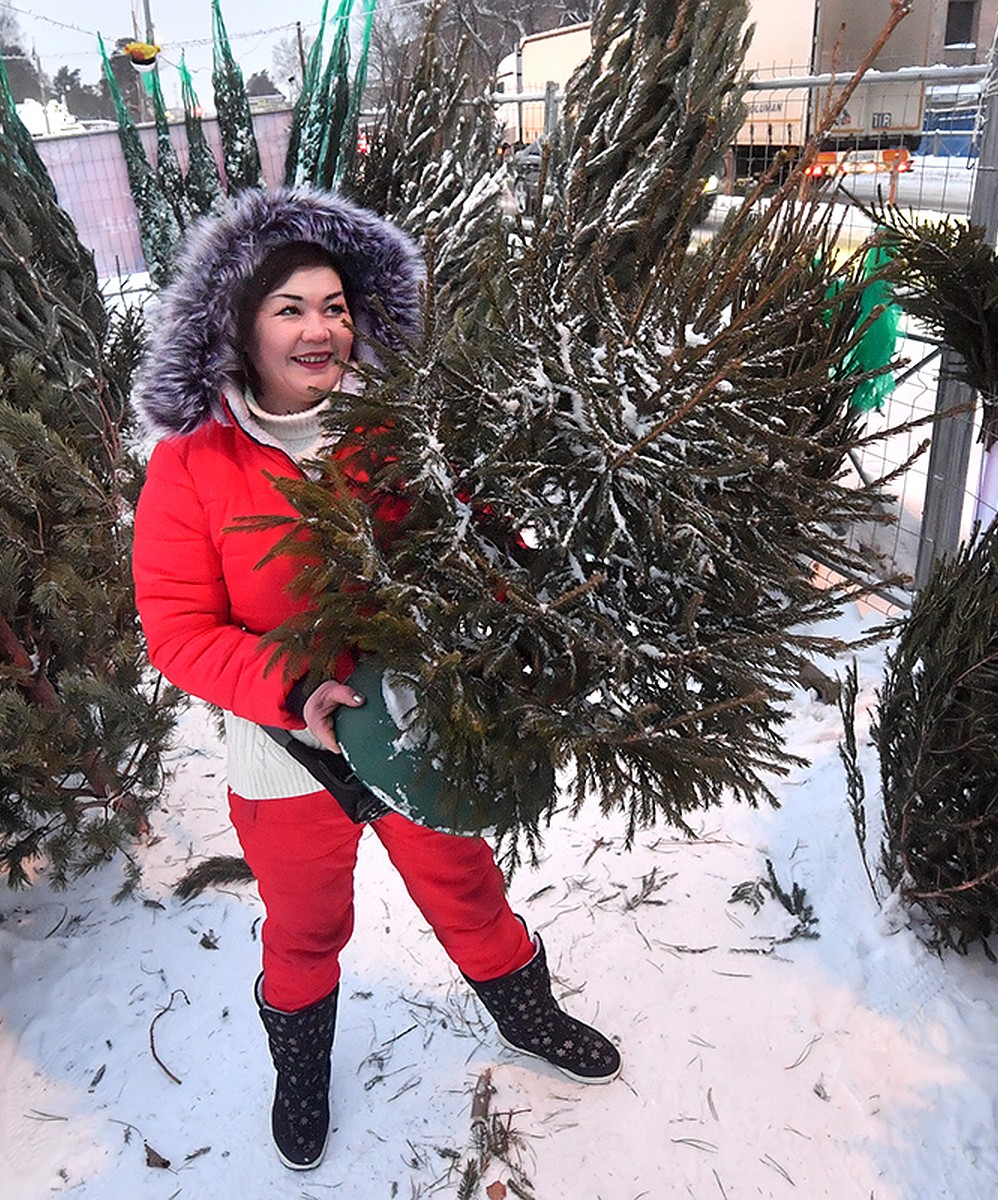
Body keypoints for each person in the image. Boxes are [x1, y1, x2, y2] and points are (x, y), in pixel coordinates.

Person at [131, 188, 620, 1172]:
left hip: (414, 713)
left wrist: (528, 576)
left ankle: (526, 1014)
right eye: (291, 309)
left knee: (464, 881)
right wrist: (290, 692)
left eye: (337, 307)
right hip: (285, 747)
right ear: (240, 326)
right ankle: (302, 1070)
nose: (322, 329)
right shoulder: (192, 466)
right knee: (306, 921)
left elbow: (468, 531)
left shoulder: (395, 429)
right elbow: (178, 630)